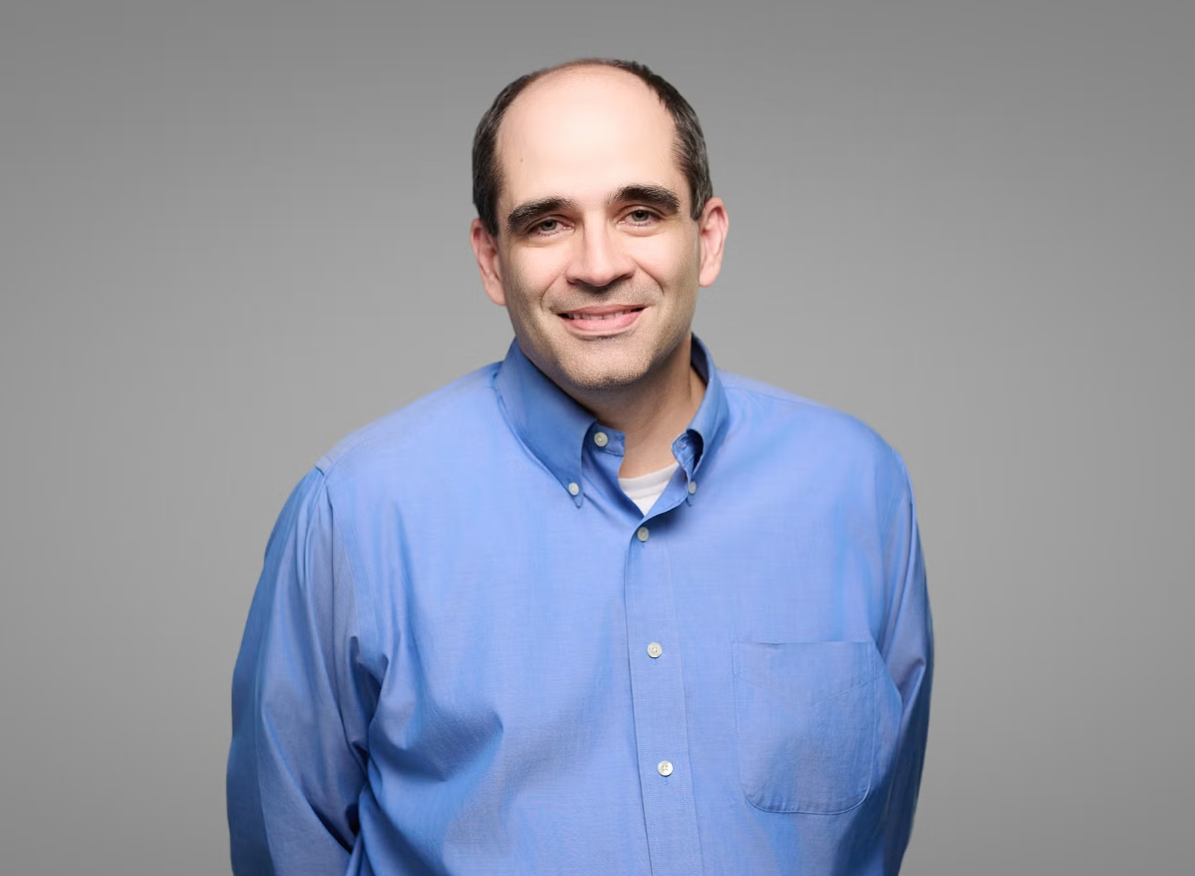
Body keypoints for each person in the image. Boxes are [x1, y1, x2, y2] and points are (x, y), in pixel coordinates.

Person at [227, 58, 933, 876]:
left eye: (639, 213)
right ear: (490, 258)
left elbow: (871, 837)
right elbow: (288, 847)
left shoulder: (857, 488)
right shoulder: (355, 514)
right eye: (547, 224)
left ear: (705, 239)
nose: (598, 265)